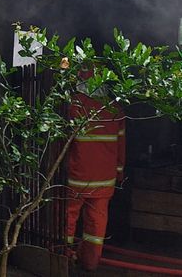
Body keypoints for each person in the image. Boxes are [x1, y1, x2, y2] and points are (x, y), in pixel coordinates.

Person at [64, 74, 126, 272]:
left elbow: (61, 144)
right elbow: (121, 148)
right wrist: (119, 173)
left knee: (66, 221)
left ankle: (64, 260)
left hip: (78, 178)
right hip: (105, 180)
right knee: (96, 227)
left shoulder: (74, 106)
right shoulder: (116, 109)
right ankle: (89, 264)